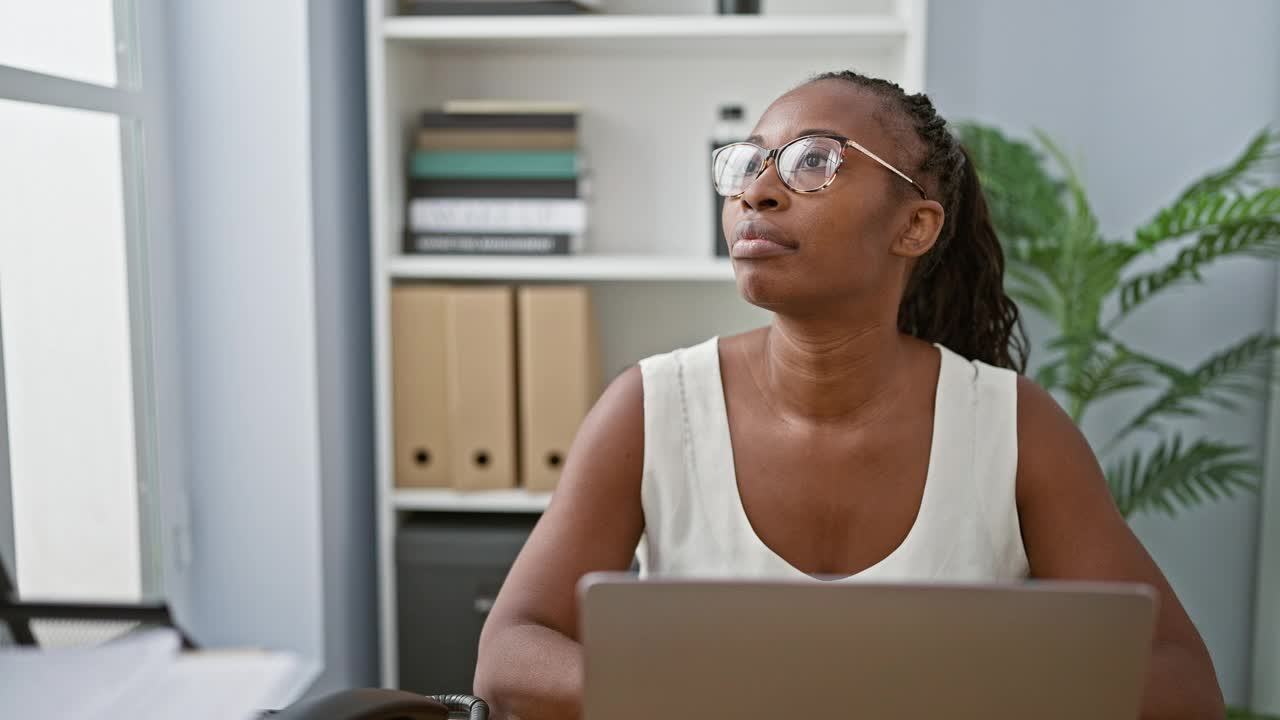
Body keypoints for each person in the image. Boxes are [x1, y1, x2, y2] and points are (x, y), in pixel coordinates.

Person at [472, 70, 1225, 720]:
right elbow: (509, 657)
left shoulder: (1014, 426)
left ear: (915, 226)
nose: (757, 194)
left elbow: (1182, 684)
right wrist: (694, 700)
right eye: (746, 165)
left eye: (812, 162)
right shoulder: (650, 407)